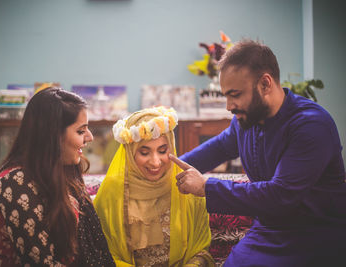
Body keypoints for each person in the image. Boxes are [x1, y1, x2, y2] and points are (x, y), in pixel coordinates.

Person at [169, 39, 346, 266]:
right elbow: (219, 147)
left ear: (265, 84)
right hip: (268, 229)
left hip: (316, 235)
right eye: (226, 96)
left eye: (235, 94)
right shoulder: (246, 119)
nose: (228, 106)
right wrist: (167, 167)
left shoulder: (311, 125)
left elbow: (279, 195)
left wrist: (206, 187)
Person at [0, 88, 115, 266]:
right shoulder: (15, 183)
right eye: (80, 131)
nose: (90, 137)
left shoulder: (63, 171)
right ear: (53, 136)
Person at [94, 107, 215, 267]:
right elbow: (104, 255)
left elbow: (200, 252)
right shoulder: (112, 192)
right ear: (130, 153)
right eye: (144, 153)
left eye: (163, 151)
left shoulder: (187, 187)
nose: (155, 162)